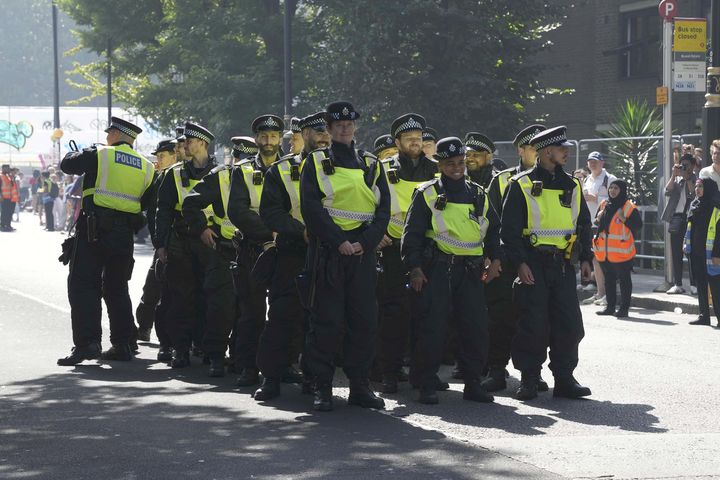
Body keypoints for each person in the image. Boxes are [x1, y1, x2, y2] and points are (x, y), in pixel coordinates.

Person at [300, 101, 390, 412]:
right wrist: (339, 241)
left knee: (364, 321)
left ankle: (359, 385)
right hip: (329, 252)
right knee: (326, 321)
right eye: (338, 124)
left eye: (349, 123)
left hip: (361, 253)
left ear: (355, 126)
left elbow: (383, 212)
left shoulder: (371, 163)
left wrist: (364, 243)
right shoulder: (315, 161)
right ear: (328, 127)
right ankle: (322, 386)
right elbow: (311, 208)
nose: (344, 127)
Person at [402, 137, 499, 405]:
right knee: (432, 328)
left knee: (475, 328)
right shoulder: (428, 194)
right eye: (449, 163)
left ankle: (472, 382)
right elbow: (412, 235)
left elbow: (492, 231)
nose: (456, 168)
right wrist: (415, 269)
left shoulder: (478, 193)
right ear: (440, 164)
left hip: (470, 271)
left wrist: (495, 259)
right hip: (438, 270)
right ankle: (426, 383)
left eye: (460, 163)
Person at [501, 125, 593, 401]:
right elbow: (508, 231)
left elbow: (583, 225)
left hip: (562, 265)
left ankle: (564, 379)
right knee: (533, 324)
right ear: (545, 152)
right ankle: (529, 378)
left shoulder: (572, 185)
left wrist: (586, 257)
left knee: (569, 324)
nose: (566, 152)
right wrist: (519, 264)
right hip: (533, 264)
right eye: (561, 148)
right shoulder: (521, 185)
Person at [57, 117, 154, 365]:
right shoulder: (147, 166)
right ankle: (123, 344)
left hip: (93, 231)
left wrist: (84, 150)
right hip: (124, 236)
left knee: (83, 286)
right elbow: (146, 201)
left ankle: (88, 343)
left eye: (109, 132)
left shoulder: (101, 153)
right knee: (117, 288)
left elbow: (67, 165)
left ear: (114, 134)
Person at [252, 111, 331, 401]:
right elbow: (270, 211)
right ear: (304, 135)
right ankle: (271, 377)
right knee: (283, 316)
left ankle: (314, 378)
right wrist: (302, 231)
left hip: (330, 254)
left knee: (322, 320)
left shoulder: (346, 167)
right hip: (294, 253)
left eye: (328, 131)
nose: (324, 136)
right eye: (317, 131)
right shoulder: (282, 170)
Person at [482, 124, 548, 393]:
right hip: (508, 260)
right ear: (522, 150)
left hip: (536, 260)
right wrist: (495, 257)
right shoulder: (503, 180)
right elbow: (491, 220)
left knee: (536, 320)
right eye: (534, 148)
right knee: (501, 316)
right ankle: (497, 369)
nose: (539, 153)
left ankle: (534, 372)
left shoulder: (556, 180)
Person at [375, 113, 437, 394]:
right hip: (393, 252)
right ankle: (390, 371)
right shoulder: (382, 169)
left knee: (429, 314)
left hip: (429, 251)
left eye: (419, 138)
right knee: (394, 314)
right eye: (409, 139)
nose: (416, 143)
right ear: (397, 141)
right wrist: (377, 234)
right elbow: (370, 204)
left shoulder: (436, 169)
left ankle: (426, 372)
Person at [155, 122, 218, 369]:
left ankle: (202, 345)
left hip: (211, 242)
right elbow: (163, 210)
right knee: (181, 298)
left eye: (189, 141)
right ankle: (180, 349)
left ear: (202, 143)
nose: (184, 145)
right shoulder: (174, 173)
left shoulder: (221, 172)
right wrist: (160, 244)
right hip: (181, 241)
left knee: (209, 296)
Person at [232, 114, 285, 387]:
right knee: (251, 313)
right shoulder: (241, 170)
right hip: (254, 249)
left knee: (284, 312)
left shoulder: (292, 168)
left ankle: (281, 367)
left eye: (274, 136)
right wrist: (268, 235)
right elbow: (238, 210)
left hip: (286, 249)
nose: (268, 141)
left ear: (280, 139)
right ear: (256, 140)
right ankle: (248, 367)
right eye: (264, 136)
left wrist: (282, 233)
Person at [134, 139, 178, 361]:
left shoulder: (181, 177)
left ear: (174, 155)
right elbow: (148, 209)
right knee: (152, 287)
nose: (157, 161)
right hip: (162, 243)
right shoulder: (158, 179)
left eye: (162, 156)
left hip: (180, 242)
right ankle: (144, 327)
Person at [594, 180, 642, 318]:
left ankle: (624, 309)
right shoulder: (604, 204)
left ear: (622, 190)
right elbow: (598, 223)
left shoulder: (629, 207)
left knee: (624, 281)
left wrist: (624, 219)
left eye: (616, 188)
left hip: (622, 252)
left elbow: (638, 226)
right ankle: (610, 307)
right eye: (611, 188)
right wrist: (598, 219)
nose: (612, 191)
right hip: (605, 252)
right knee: (608, 280)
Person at [581, 151, 616, 306]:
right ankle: (600, 293)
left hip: (604, 225)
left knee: (606, 260)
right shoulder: (587, 180)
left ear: (602, 163)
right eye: (590, 161)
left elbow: (617, 199)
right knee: (595, 259)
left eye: (595, 161)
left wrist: (597, 199)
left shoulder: (610, 179)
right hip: (590, 224)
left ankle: (609, 295)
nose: (592, 164)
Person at [684, 178, 720, 326]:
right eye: (696, 186)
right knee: (700, 284)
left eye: (701, 186)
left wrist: (717, 254)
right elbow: (689, 228)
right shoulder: (694, 205)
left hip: (712, 253)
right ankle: (703, 316)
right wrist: (686, 244)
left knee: (716, 287)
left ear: (709, 188)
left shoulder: (716, 206)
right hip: (697, 252)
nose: (697, 189)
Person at [662, 153, 697, 294]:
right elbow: (667, 191)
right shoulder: (678, 180)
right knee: (676, 252)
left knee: (691, 252)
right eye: (683, 165)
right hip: (676, 218)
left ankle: (694, 284)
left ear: (693, 166)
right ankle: (678, 283)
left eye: (687, 165)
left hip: (691, 218)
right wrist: (673, 175)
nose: (684, 168)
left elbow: (693, 194)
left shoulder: (697, 179)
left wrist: (688, 177)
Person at [1, 164, 19, 232]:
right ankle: (2, 225)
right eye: (7, 169)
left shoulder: (8, 176)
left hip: (10, 198)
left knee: (9, 212)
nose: (8, 170)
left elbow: (11, 186)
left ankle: (8, 225)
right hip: (4, 197)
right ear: (3, 169)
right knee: (4, 212)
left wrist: (12, 177)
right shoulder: (1, 176)